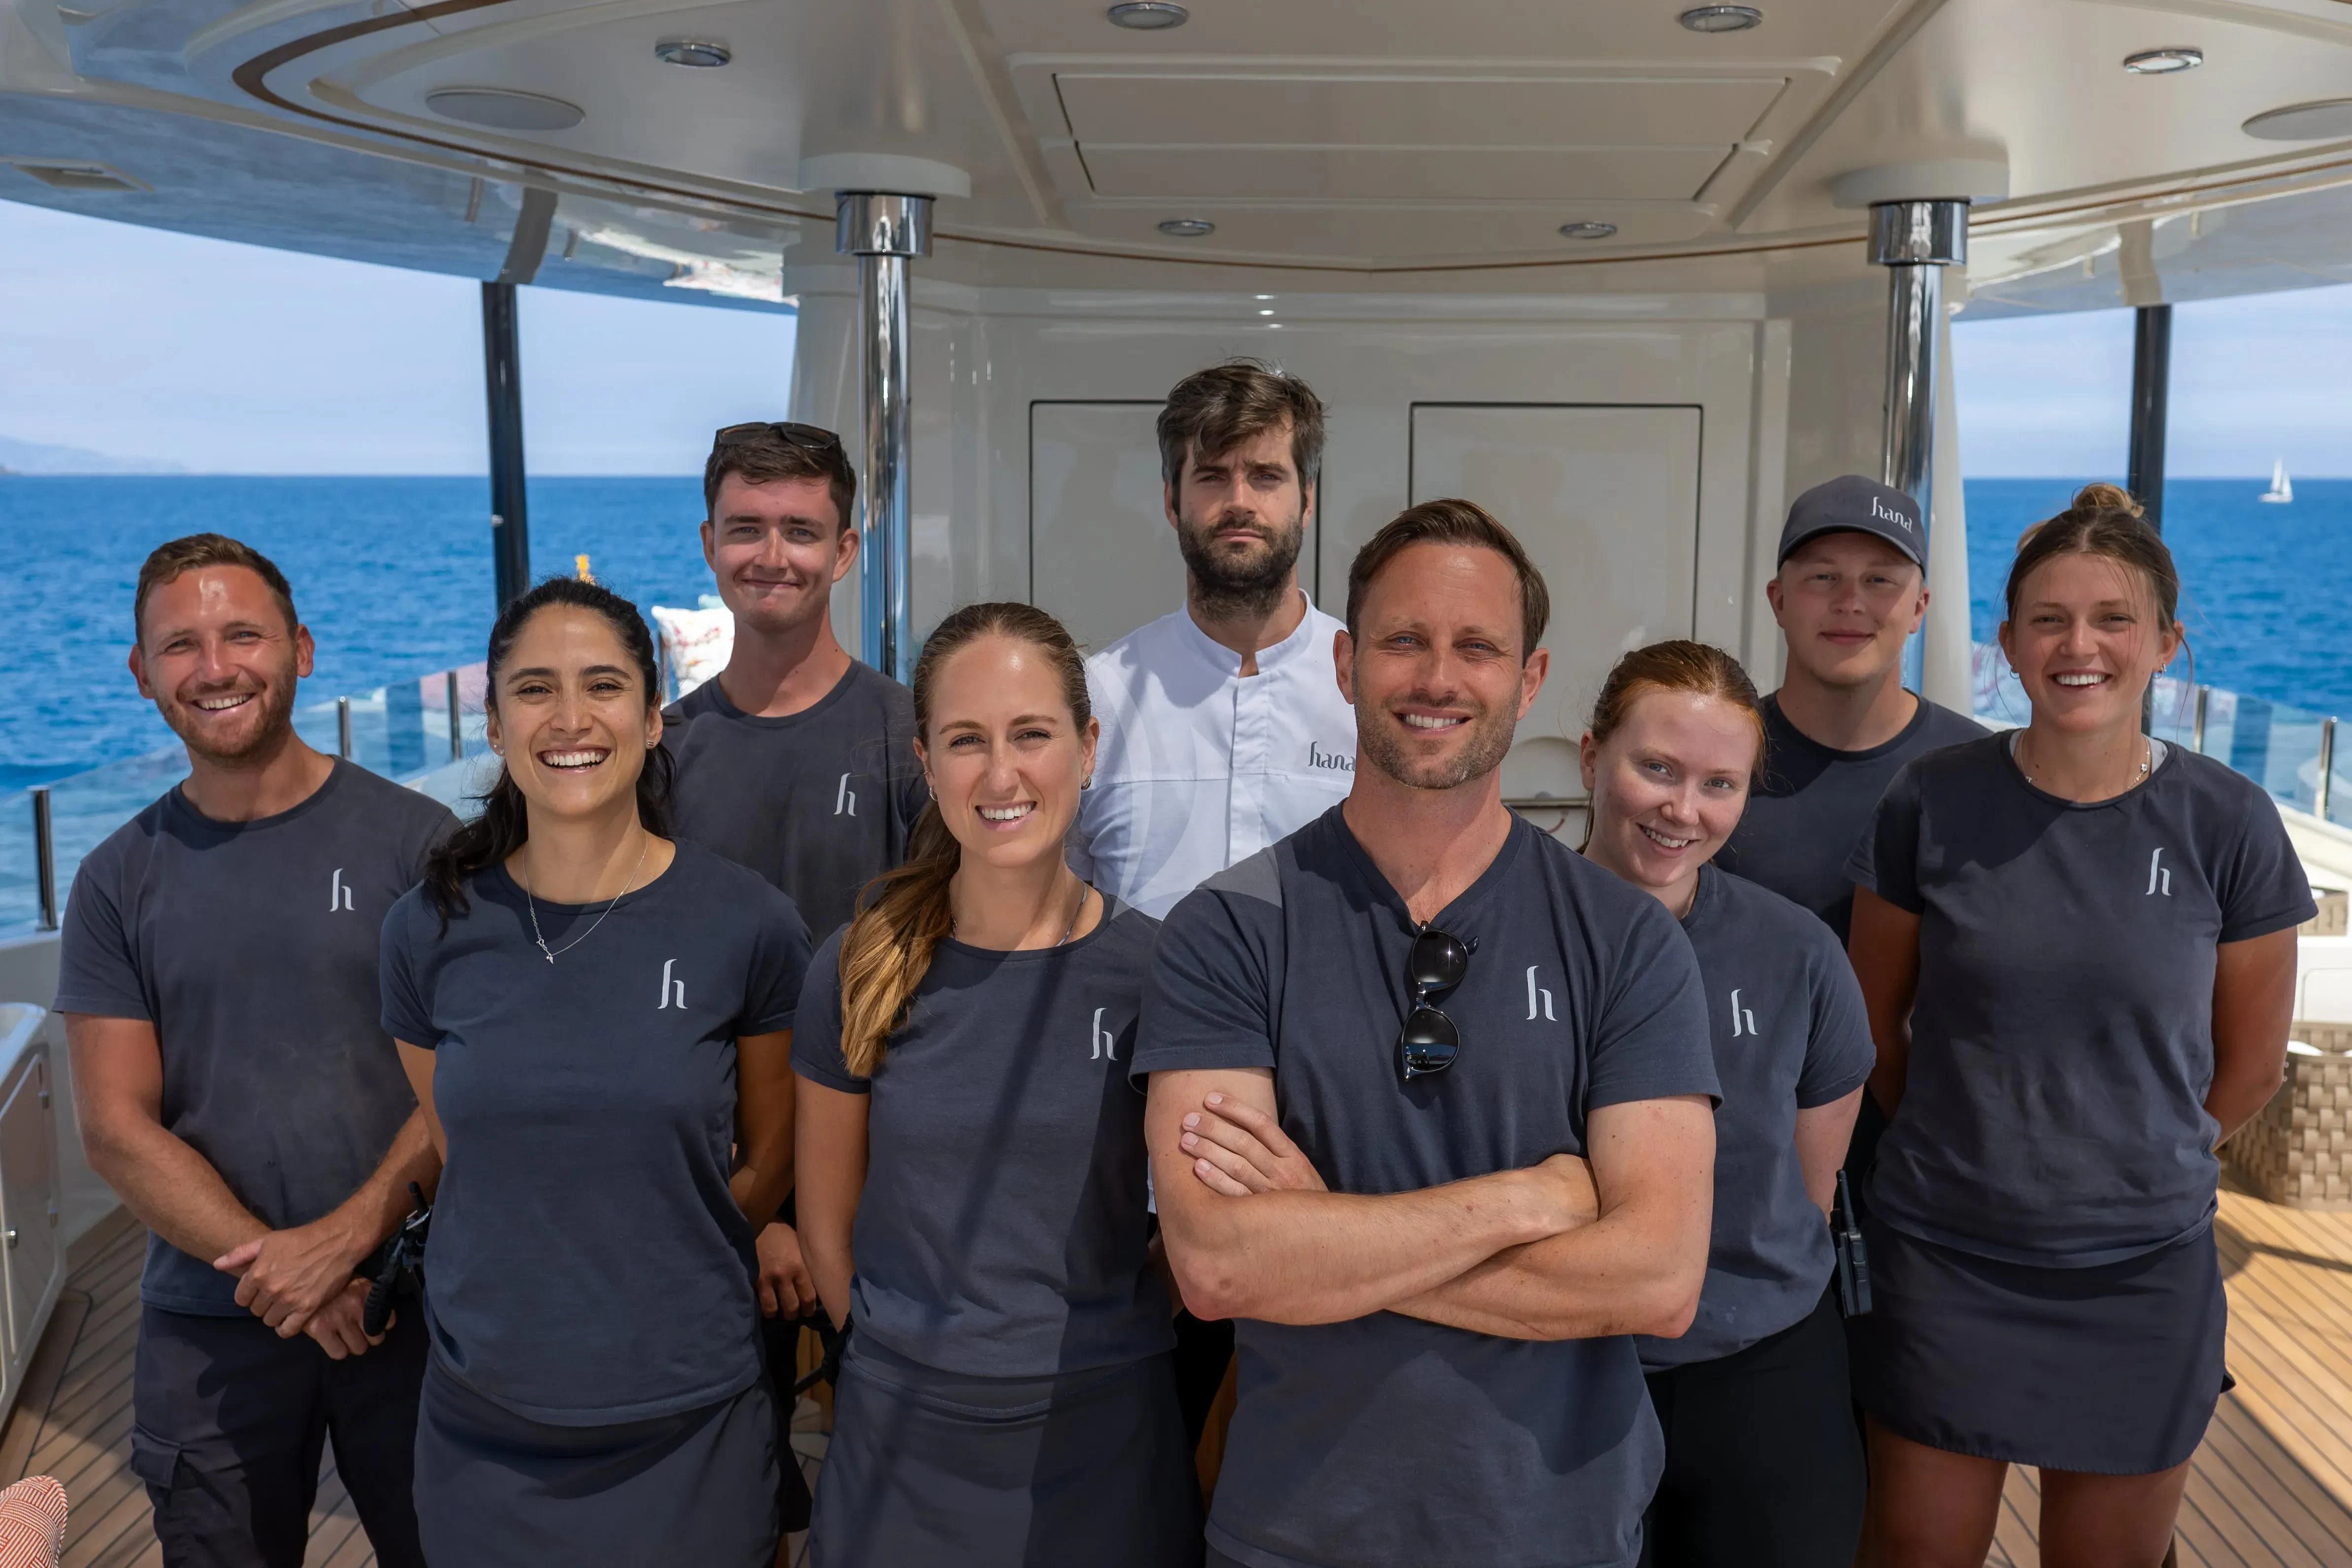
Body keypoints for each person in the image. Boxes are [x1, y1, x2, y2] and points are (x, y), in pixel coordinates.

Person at [1137, 499, 1721, 1568]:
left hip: (1557, 1530)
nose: (1438, 679)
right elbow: (1218, 1267)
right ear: (1348, 664)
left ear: (1531, 680)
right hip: (1297, 1530)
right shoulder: (1229, 927)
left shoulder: (1624, 942)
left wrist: (1321, 1236)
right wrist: (1529, 1199)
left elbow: (1656, 1280)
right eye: (1404, 641)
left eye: (1477, 647)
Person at [1845, 485, 2310, 1568]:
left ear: (2163, 642)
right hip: (1946, 1261)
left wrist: (2139, 1159)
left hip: (2140, 1275)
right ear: (2005, 642)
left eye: (2111, 618)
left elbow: (2246, 1069)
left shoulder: (2226, 822)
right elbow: (1875, 1026)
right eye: (2046, 620)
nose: (2078, 645)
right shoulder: (1931, 800)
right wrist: (1971, 1149)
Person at [379, 577, 810, 1567]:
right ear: (491, 724)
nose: (571, 719)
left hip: (688, 1410)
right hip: (485, 1419)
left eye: (604, 686)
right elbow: (462, 1151)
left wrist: (656, 1263)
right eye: (534, 690)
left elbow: (771, 1159)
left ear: (655, 716)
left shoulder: (747, 925)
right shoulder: (425, 931)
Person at [58, 534, 449, 1568]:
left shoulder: (419, 846)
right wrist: (288, 1272)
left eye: (243, 634)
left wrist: (344, 1243)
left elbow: (474, 1079)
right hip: (209, 1319)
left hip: (410, 1304)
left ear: (304, 650)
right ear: (142, 675)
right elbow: (114, 1128)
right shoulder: (115, 880)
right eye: (181, 646)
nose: (216, 666)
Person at [793, 602, 1201, 1567]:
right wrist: (915, 1362)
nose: (1002, 774)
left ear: (1088, 747)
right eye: (966, 741)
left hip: (1104, 1451)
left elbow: (1198, 1229)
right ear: (927, 764)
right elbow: (824, 1224)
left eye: (1032, 735)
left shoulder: (1161, 976)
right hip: (898, 1454)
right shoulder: (855, 969)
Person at [1068, 357, 1359, 1444]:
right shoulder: (1099, 697)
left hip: (1337, 1177)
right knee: (1141, 1481)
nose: (1240, 500)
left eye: (1267, 475)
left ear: (1306, 498)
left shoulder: (1370, 691)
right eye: (1214, 476)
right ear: (1173, 499)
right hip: (1131, 1191)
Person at [658, 419, 926, 1504]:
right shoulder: (665, 752)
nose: (772, 555)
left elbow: (936, 976)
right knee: (739, 1493)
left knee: (892, 1488)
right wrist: (759, 1211)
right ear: (710, 542)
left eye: (802, 532)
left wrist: (817, 1213)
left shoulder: (908, 740)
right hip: (724, 1196)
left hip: (889, 1187)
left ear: (848, 551)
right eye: (746, 529)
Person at [1575, 641, 1872, 1568]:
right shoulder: (1493, 939)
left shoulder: (1798, 954)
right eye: (1655, 769)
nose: (1683, 809)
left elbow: (1808, 1182)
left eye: (1719, 783)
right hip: (1557, 1367)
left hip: (1763, 1370)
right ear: (1591, 759)